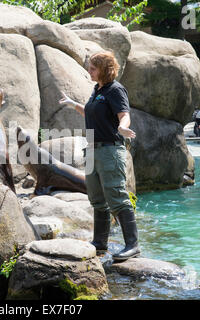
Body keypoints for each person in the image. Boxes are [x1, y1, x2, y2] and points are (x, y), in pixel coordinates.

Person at [59, 51, 140, 262]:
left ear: (104, 69)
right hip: (92, 149)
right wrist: (72, 103)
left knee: (116, 196)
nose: (89, 71)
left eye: (93, 68)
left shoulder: (115, 90)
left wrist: (122, 128)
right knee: (96, 198)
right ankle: (100, 243)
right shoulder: (97, 90)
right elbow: (90, 113)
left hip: (110, 150)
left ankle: (132, 245)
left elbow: (124, 115)